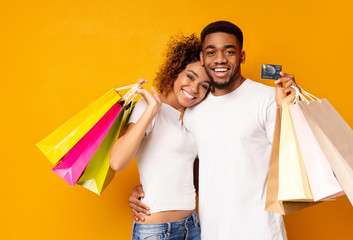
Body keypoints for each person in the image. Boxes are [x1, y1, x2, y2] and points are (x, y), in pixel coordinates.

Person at [129, 21, 297, 240]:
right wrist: (146, 190)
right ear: (201, 58)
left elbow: (294, 161)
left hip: (261, 231)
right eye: (211, 52)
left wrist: (290, 110)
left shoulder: (269, 99)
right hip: (208, 232)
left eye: (229, 51)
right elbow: (194, 166)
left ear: (242, 56)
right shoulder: (194, 108)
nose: (220, 59)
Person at [110, 33, 211, 240]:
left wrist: (143, 187)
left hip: (192, 226)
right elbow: (117, 161)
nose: (194, 89)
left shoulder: (189, 119)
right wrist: (151, 110)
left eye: (204, 86)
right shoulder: (149, 106)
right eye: (190, 77)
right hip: (157, 232)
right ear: (175, 70)